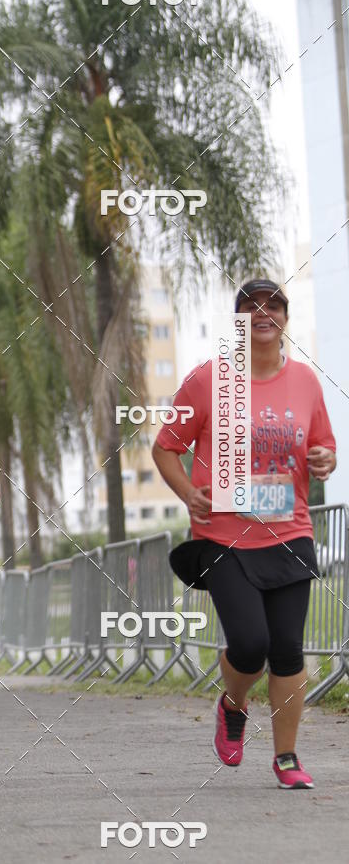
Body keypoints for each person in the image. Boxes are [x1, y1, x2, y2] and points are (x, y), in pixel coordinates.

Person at [152, 279, 337, 789]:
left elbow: (322, 448)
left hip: (290, 530)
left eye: (273, 305)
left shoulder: (304, 381)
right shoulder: (208, 380)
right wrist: (188, 491)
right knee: (250, 644)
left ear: (285, 318)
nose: (263, 313)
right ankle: (233, 704)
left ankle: (286, 758)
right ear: (237, 319)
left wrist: (324, 460)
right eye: (250, 306)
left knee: (288, 650)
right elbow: (166, 446)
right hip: (223, 536)